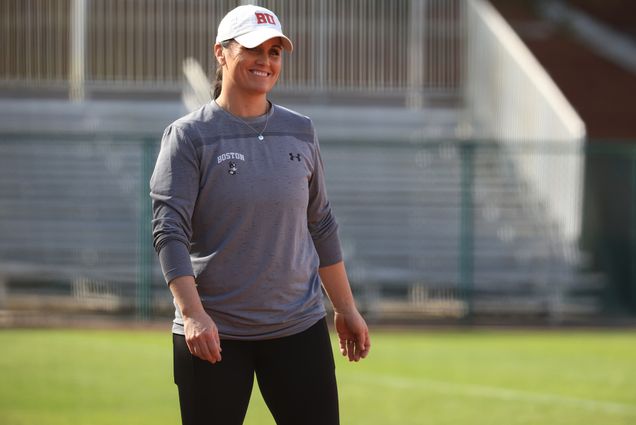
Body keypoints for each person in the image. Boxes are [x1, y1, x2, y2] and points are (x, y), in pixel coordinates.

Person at [150, 4, 370, 425]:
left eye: (274, 52)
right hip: (214, 335)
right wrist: (194, 315)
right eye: (252, 49)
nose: (265, 61)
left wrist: (345, 308)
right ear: (221, 52)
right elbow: (169, 232)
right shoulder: (188, 136)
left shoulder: (301, 129)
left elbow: (320, 222)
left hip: (298, 329)